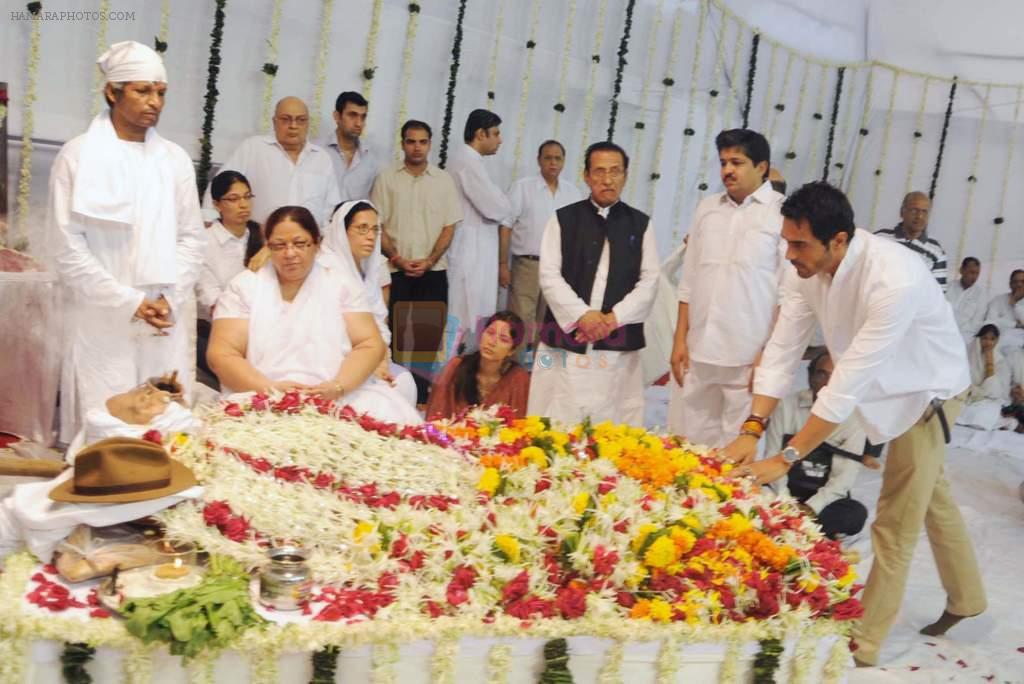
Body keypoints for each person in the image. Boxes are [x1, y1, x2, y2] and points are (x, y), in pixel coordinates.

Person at [723, 181, 985, 667]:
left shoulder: (894, 278)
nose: (790, 254)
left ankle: (864, 643)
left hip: (928, 395)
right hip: (885, 390)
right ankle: (968, 599)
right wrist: (753, 427)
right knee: (932, 496)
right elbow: (782, 347)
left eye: (799, 244)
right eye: (786, 241)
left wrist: (785, 458)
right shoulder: (806, 267)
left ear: (839, 240)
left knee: (895, 520)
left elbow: (845, 385)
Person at [48, 41, 205, 443]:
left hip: (163, 316)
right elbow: (67, 248)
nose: (155, 102)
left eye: (161, 92)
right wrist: (130, 301)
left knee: (166, 429)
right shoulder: (77, 156)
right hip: (104, 321)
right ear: (112, 92)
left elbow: (191, 238)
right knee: (108, 433)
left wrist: (168, 297)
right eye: (142, 91)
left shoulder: (175, 161)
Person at [207, 206, 420, 425]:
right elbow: (222, 354)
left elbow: (369, 344)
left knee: (390, 419)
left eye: (300, 243)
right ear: (268, 246)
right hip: (261, 396)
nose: (290, 253)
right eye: (279, 245)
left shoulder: (341, 285)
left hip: (337, 396)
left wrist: (338, 386)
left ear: (316, 245)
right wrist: (269, 389)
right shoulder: (244, 287)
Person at [669, 129, 787, 447]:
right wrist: (680, 339)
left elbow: (787, 294)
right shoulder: (707, 208)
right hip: (698, 350)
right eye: (723, 162)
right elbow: (689, 280)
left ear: (761, 167)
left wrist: (769, 355)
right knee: (688, 448)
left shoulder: (782, 214)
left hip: (748, 355)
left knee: (736, 454)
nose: (727, 170)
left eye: (737, 162)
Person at [528, 141, 659, 426]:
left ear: (625, 175)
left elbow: (650, 281)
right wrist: (582, 315)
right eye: (599, 171)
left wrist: (613, 319)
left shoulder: (640, 223)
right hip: (567, 337)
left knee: (613, 416)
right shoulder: (564, 219)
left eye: (615, 171)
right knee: (556, 412)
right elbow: (549, 275)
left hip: (617, 337)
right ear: (586, 176)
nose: (607, 179)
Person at [371, 120, 463, 403]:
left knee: (426, 340)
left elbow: (449, 226)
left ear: (430, 144)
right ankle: (395, 397)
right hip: (395, 272)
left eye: (423, 142)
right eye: (411, 141)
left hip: (433, 272)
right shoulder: (387, 178)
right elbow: (378, 225)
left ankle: (421, 399)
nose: (417, 147)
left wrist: (430, 259)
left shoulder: (443, 181)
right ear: (402, 144)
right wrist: (397, 259)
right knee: (395, 337)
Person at [763, 350, 871, 540]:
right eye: (822, 374)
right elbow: (772, 456)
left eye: (835, 377)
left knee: (855, 514)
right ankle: (803, 531)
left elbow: (843, 479)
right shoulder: (786, 407)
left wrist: (810, 509)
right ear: (810, 377)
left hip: (821, 500)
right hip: (783, 489)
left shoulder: (854, 419)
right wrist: (785, 502)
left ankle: (788, 528)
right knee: (755, 492)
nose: (828, 383)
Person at [321, 199, 418, 408]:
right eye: (362, 229)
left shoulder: (368, 272)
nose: (371, 237)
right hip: (336, 361)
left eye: (375, 229)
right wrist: (369, 362)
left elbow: (379, 323)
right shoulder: (326, 270)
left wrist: (380, 360)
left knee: (404, 383)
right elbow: (330, 331)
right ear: (342, 231)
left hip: (371, 356)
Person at [202, 97, 339, 226]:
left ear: (308, 123)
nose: (293, 125)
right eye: (286, 119)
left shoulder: (322, 158)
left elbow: (331, 208)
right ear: (274, 122)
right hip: (256, 242)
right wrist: (210, 222)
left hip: (306, 245)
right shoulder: (253, 148)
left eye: (301, 120)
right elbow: (219, 186)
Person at [499, 140, 583, 346]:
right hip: (527, 266)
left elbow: (577, 234)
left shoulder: (572, 193)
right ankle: (514, 373)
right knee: (519, 323)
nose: (553, 163)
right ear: (539, 160)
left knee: (548, 326)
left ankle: (540, 374)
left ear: (564, 162)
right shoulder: (523, 187)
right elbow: (506, 226)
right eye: (548, 158)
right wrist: (502, 265)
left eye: (558, 158)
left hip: (558, 269)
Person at [446, 109, 514, 345]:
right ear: (479, 134)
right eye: (495, 133)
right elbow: (496, 208)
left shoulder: (472, 161)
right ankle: (442, 379)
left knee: (464, 323)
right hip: (469, 250)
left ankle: (450, 375)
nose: (500, 139)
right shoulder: (467, 161)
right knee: (457, 321)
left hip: (475, 248)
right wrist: (503, 201)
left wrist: (502, 202)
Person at [195, 171, 264, 387]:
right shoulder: (204, 243)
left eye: (247, 197)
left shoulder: (263, 238)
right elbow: (213, 302)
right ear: (217, 204)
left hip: (263, 327)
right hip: (218, 331)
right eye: (233, 199)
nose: (243, 204)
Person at [425, 311, 530, 420]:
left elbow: (520, 427)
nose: (492, 342)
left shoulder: (518, 378)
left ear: (511, 350)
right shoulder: (456, 367)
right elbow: (435, 417)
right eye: (490, 333)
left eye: (503, 339)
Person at [874, 191, 948, 291]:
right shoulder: (880, 238)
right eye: (914, 210)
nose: (919, 216)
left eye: (924, 212)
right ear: (902, 212)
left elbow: (939, 294)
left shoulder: (937, 252)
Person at [325, 91, 378, 202]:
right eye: (352, 115)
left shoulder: (370, 160)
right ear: (337, 116)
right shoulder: (319, 151)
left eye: (363, 117)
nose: (359, 123)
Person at [956, 324, 1010, 430]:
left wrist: (989, 361)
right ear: (978, 339)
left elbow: (995, 391)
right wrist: (971, 391)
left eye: (992, 339)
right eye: (984, 338)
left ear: (997, 341)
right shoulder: (967, 353)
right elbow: (959, 379)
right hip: (966, 395)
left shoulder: (1000, 361)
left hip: (987, 399)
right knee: (954, 407)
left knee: (986, 412)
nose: (988, 342)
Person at [945, 256, 987, 342]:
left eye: (977, 273)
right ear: (961, 270)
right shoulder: (947, 288)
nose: (974, 277)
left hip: (963, 338)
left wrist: (957, 335)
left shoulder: (981, 295)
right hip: (941, 331)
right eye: (971, 272)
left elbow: (976, 323)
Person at [983, 269, 1024, 351]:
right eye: (1015, 281)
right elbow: (990, 320)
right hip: (999, 342)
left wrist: (1016, 304)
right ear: (1010, 284)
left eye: (1023, 281)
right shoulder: (998, 300)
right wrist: (1015, 325)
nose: (1019, 285)